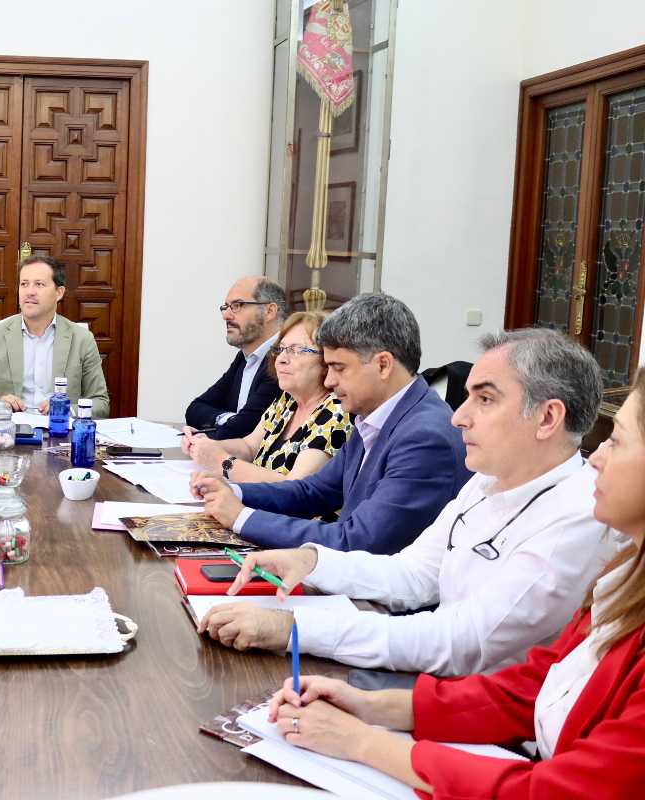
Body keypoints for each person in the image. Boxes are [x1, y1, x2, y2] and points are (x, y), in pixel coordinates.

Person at [263, 366, 645, 799]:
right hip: (483, 730)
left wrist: (362, 741)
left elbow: (559, 790)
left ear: (546, 418)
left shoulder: (579, 519)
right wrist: (372, 708)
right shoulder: (622, 575)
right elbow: (533, 686)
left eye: (616, 441)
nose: (597, 456)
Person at [199, 328, 619, 675]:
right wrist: (312, 562)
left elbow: (461, 641)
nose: (459, 416)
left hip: (490, 723)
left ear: (547, 418)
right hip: (439, 683)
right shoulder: (489, 481)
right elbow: (415, 573)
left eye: (485, 399)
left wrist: (296, 628)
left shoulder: (577, 516)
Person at [192, 293, 468, 554]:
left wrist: (241, 517)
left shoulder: (424, 438)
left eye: (339, 368)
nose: (329, 381)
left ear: (383, 365)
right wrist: (234, 491)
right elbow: (313, 491)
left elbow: (358, 540)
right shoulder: (376, 413)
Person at [183, 311, 351, 497]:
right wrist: (207, 446)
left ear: (326, 360)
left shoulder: (337, 411)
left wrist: (223, 462)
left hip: (300, 523)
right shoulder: (287, 401)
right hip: (263, 511)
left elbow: (296, 488)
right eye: (280, 349)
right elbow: (248, 446)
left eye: (296, 350)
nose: (281, 359)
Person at [0, 255, 110, 416]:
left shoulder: (82, 340)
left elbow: (101, 403)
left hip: (60, 433)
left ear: (59, 293)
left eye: (39, 284)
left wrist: (66, 409)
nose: (29, 292)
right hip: (7, 434)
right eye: (24, 284)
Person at [185, 277, 285, 439]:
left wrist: (228, 423)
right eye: (226, 307)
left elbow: (244, 430)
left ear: (269, 311)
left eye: (237, 306)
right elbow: (195, 409)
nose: (226, 315)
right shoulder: (244, 357)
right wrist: (230, 419)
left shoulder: (284, 359)